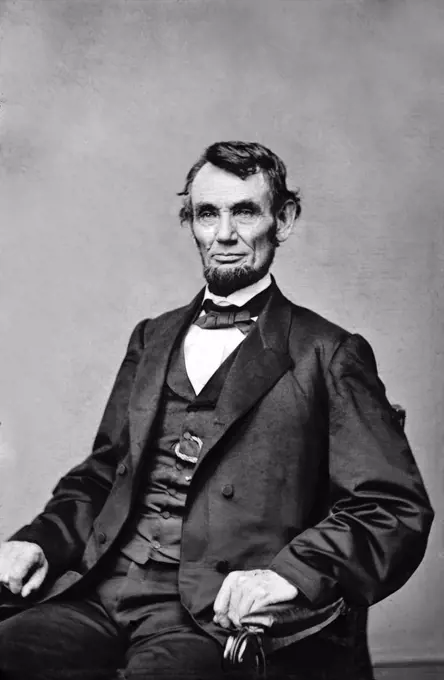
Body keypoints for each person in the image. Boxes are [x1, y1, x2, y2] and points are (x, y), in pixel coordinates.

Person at [0, 141, 434, 680]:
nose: (224, 234)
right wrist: (37, 540)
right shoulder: (152, 337)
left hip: (208, 617)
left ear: (284, 219)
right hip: (99, 590)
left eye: (245, 211)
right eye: (208, 213)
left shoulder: (329, 353)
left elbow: (391, 508)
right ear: (191, 222)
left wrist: (290, 576)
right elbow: (100, 476)